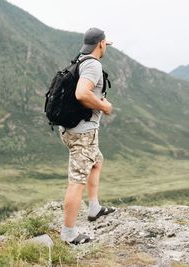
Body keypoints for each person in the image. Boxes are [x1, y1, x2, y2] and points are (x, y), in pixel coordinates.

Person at [59, 27, 115, 245]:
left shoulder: (80, 60)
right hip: (82, 133)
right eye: (105, 44)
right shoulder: (92, 64)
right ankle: (69, 233)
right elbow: (81, 93)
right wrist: (104, 106)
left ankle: (94, 208)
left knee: (97, 161)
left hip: (73, 130)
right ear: (101, 44)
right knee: (77, 181)